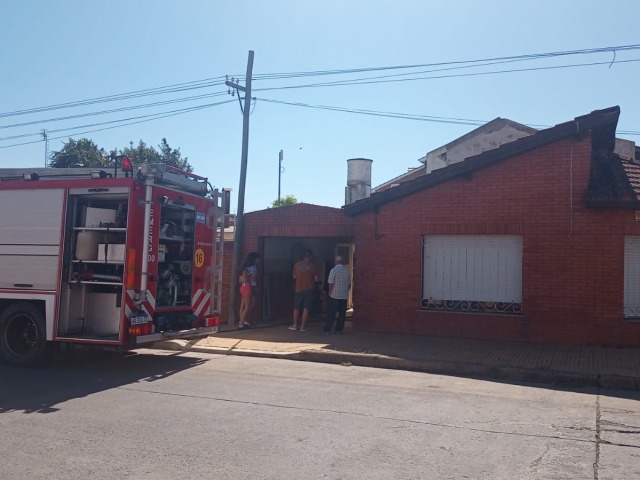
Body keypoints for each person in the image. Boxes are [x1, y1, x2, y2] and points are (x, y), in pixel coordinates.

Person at [289, 249, 318, 332]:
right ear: (311, 257)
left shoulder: (297, 265)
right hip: (309, 289)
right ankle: (302, 327)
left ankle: (294, 325)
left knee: (296, 307)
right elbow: (316, 279)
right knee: (306, 307)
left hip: (298, 288)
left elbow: (294, 277)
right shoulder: (313, 267)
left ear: (303, 256)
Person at [323, 255, 351, 334]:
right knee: (342, 314)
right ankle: (339, 329)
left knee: (331, 313)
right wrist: (345, 291)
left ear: (335, 262)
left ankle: (328, 329)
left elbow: (331, 283)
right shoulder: (347, 271)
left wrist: (329, 292)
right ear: (342, 262)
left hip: (334, 295)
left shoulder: (333, 270)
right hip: (344, 296)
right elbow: (349, 285)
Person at [238, 252, 260, 329]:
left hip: (245, 287)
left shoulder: (249, 268)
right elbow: (243, 279)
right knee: (247, 306)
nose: (258, 260)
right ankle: (242, 322)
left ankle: (242, 320)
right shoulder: (247, 269)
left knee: (244, 305)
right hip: (248, 286)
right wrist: (250, 277)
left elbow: (241, 280)